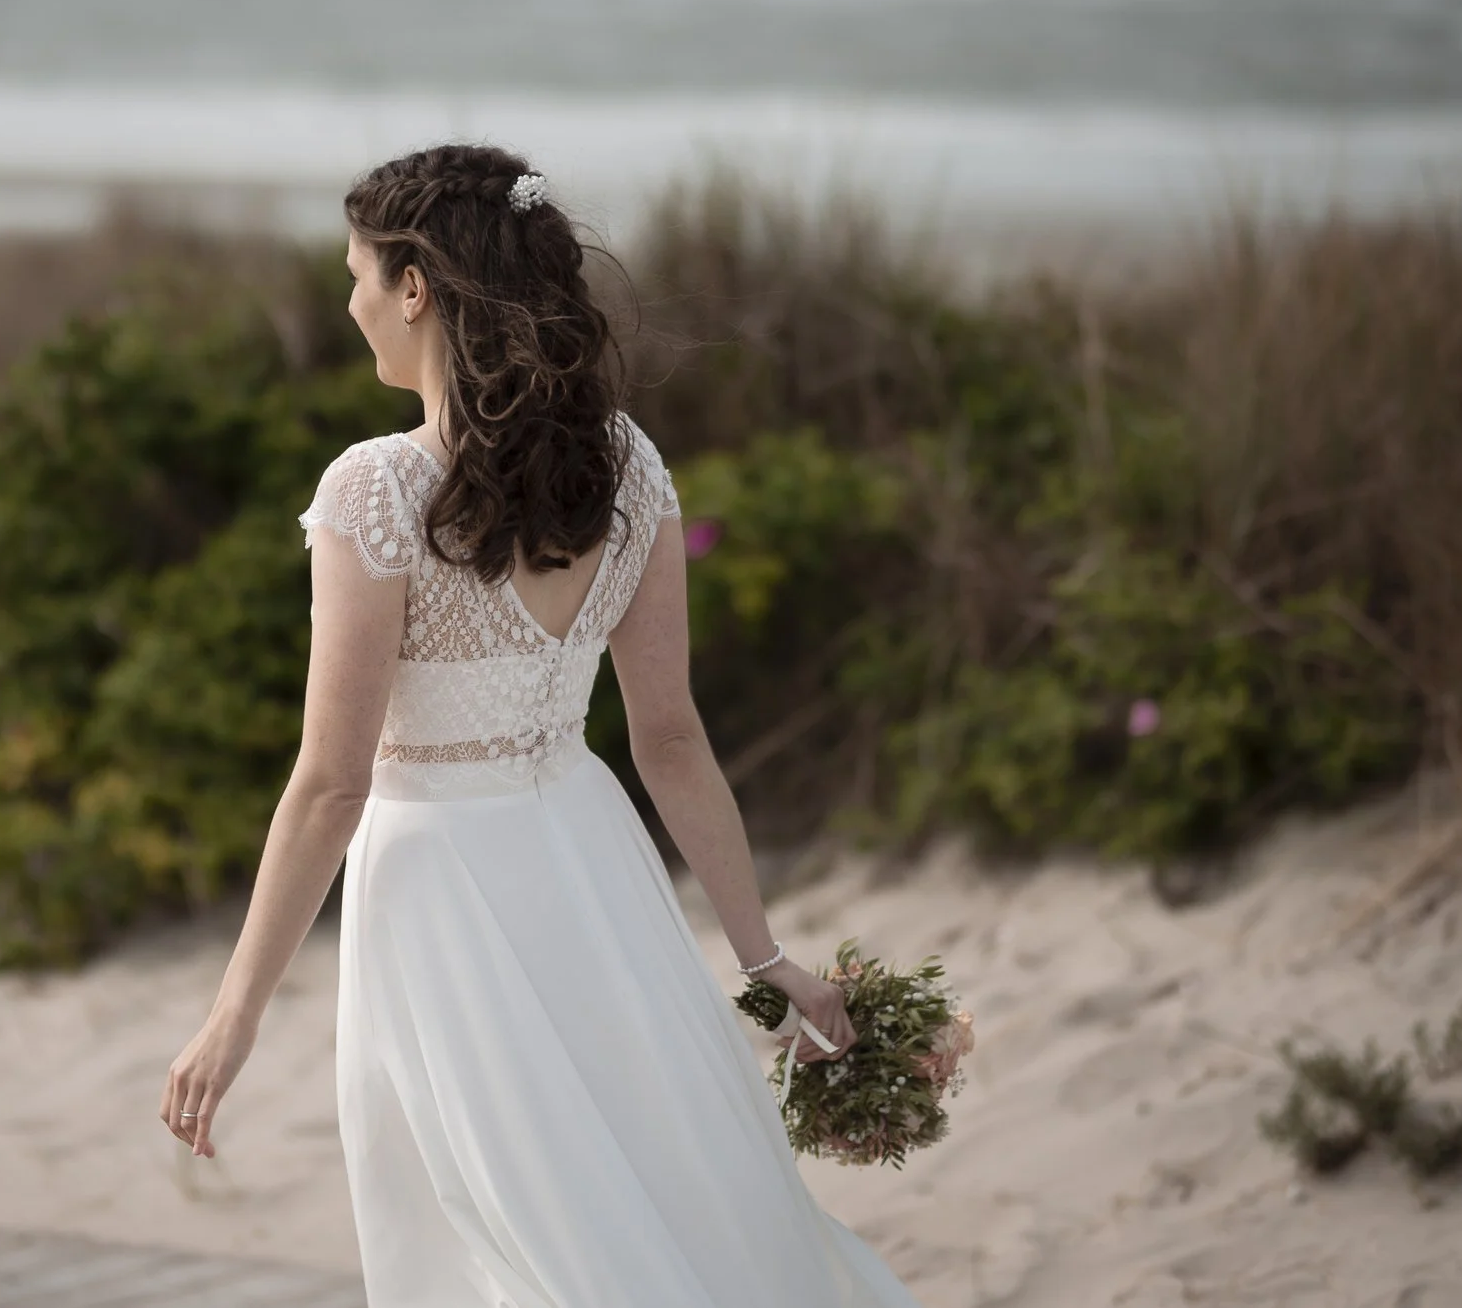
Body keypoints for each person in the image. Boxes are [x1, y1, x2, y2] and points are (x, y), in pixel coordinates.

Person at [160, 143, 922, 1306]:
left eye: (359, 273)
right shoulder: (629, 468)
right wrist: (762, 957)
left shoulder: (373, 489)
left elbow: (330, 785)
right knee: (640, 1184)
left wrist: (232, 1013)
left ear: (416, 286)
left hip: (437, 902)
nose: (349, 300)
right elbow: (670, 740)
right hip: (589, 859)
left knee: (489, 1227)